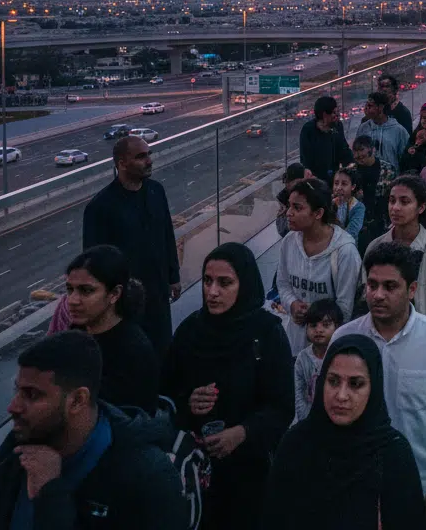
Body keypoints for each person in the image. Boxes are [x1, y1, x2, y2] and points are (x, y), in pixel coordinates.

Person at [334, 242, 426, 524]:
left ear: (412, 290)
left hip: (415, 491)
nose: (378, 295)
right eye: (372, 285)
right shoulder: (344, 339)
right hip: (352, 485)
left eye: (390, 286)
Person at [160, 243, 294, 530]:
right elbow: (164, 396)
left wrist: (243, 433)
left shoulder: (267, 334)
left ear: (243, 284)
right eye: (207, 281)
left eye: (225, 282)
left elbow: (282, 407)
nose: (212, 291)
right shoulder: (190, 332)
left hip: (249, 474)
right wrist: (187, 402)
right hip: (193, 473)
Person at [0, 332, 185, 530]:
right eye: (17, 391)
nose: (13, 407)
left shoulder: (147, 479)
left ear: (77, 401)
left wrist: (52, 495)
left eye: (31, 394)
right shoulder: (23, 441)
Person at [264, 334, 426, 529]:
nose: (341, 395)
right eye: (333, 381)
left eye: (355, 384)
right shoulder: (296, 444)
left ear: (373, 388)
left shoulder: (393, 452)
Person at [82, 135, 181, 357]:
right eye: (141, 156)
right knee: (133, 356)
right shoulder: (100, 207)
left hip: (158, 293)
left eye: (149, 154)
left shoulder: (156, 191)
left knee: (163, 351)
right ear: (121, 163)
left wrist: (173, 275)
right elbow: (93, 264)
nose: (149, 161)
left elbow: (166, 234)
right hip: (125, 302)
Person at [64, 245, 159, 414]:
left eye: (86, 291)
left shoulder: (133, 352)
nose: (72, 300)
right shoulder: (74, 335)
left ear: (114, 294)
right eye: (70, 289)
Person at [277, 177, 361, 356]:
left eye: (297, 208)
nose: (289, 213)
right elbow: (283, 284)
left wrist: (318, 319)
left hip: (329, 350)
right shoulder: (288, 243)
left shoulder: (345, 252)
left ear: (318, 213)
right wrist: (292, 305)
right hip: (295, 345)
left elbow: (345, 307)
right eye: (289, 206)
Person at [366, 174, 426, 330]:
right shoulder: (375, 247)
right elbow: (366, 299)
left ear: (421, 207)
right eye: (392, 200)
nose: (395, 207)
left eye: (404, 201)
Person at [293, 297, 343, 423]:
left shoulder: (341, 356)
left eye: (326, 325)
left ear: (337, 328)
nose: (319, 330)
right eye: (313, 325)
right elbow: (298, 393)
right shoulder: (302, 358)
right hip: (309, 418)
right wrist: (306, 421)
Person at [349, 134, 397, 252]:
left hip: (382, 219)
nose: (359, 156)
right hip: (359, 220)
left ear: (372, 150)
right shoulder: (351, 171)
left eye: (362, 151)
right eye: (356, 153)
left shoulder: (388, 169)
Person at [299, 96, 351, 183]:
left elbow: (343, 149)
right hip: (315, 180)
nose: (337, 116)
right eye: (334, 113)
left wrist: (350, 164)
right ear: (324, 115)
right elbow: (305, 158)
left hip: (334, 178)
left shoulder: (338, 126)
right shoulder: (308, 130)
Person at [356, 91, 410, 172]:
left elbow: (405, 158)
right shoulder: (363, 128)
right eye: (366, 105)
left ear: (381, 107)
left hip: (391, 177)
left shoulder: (398, 130)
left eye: (370, 106)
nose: (366, 108)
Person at [332, 166, 366, 243]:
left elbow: (352, 232)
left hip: (348, 245)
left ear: (353, 187)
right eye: (336, 183)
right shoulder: (330, 203)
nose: (338, 187)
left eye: (344, 184)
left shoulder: (358, 207)